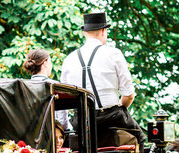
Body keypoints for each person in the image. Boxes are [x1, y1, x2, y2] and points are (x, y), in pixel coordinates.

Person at [60, 11, 145, 145]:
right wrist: (119, 110)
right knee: (141, 139)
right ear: (103, 31)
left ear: (84, 33)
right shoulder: (114, 54)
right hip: (111, 117)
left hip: (80, 121)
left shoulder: (69, 60)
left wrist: (65, 129)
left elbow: (63, 102)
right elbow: (128, 95)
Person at [24, 49, 69, 130]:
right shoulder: (54, 86)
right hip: (51, 135)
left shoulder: (24, 86)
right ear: (45, 63)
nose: (51, 65)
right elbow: (63, 122)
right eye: (50, 62)